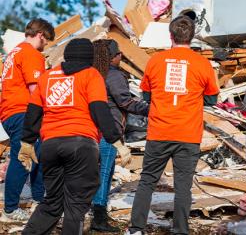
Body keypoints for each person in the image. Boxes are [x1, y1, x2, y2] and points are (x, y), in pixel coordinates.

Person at [18, 38, 131, 235]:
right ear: (90, 58)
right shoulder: (91, 74)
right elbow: (99, 109)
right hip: (81, 144)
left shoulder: (47, 77)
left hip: (50, 145)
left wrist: (27, 142)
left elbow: (33, 112)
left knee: (52, 201)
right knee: (76, 204)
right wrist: (116, 141)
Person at [125, 15, 219, 235]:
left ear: (170, 35)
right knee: (183, 186)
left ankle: (136, 229)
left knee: (147, 180)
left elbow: (146, 96)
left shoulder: (156, 61)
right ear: (192, 36)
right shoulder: (202, 63)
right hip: (188, 133)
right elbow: (213, 99)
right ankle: (180, 230)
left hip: (159, 131)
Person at [0, 18, 55, 222]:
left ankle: (40, 197)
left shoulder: (14, 52)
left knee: (36, 154)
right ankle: (11, 209)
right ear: (40, 35)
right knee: (22, 158)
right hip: (24, 112)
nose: (46, 45)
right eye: (47, 40)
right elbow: (35, 90)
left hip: (10, 111)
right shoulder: (32, 54)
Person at [91, 39, 149, 233]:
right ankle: (99, 217)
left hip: (89, 130)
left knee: (93, 173)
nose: (121, 56)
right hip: (110, 132)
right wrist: (150, 109)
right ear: (111, 57)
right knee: (105, 173)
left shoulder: (91, 73)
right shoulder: (113, 75)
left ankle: (89, 211)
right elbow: (125, 102)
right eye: (118, 54)